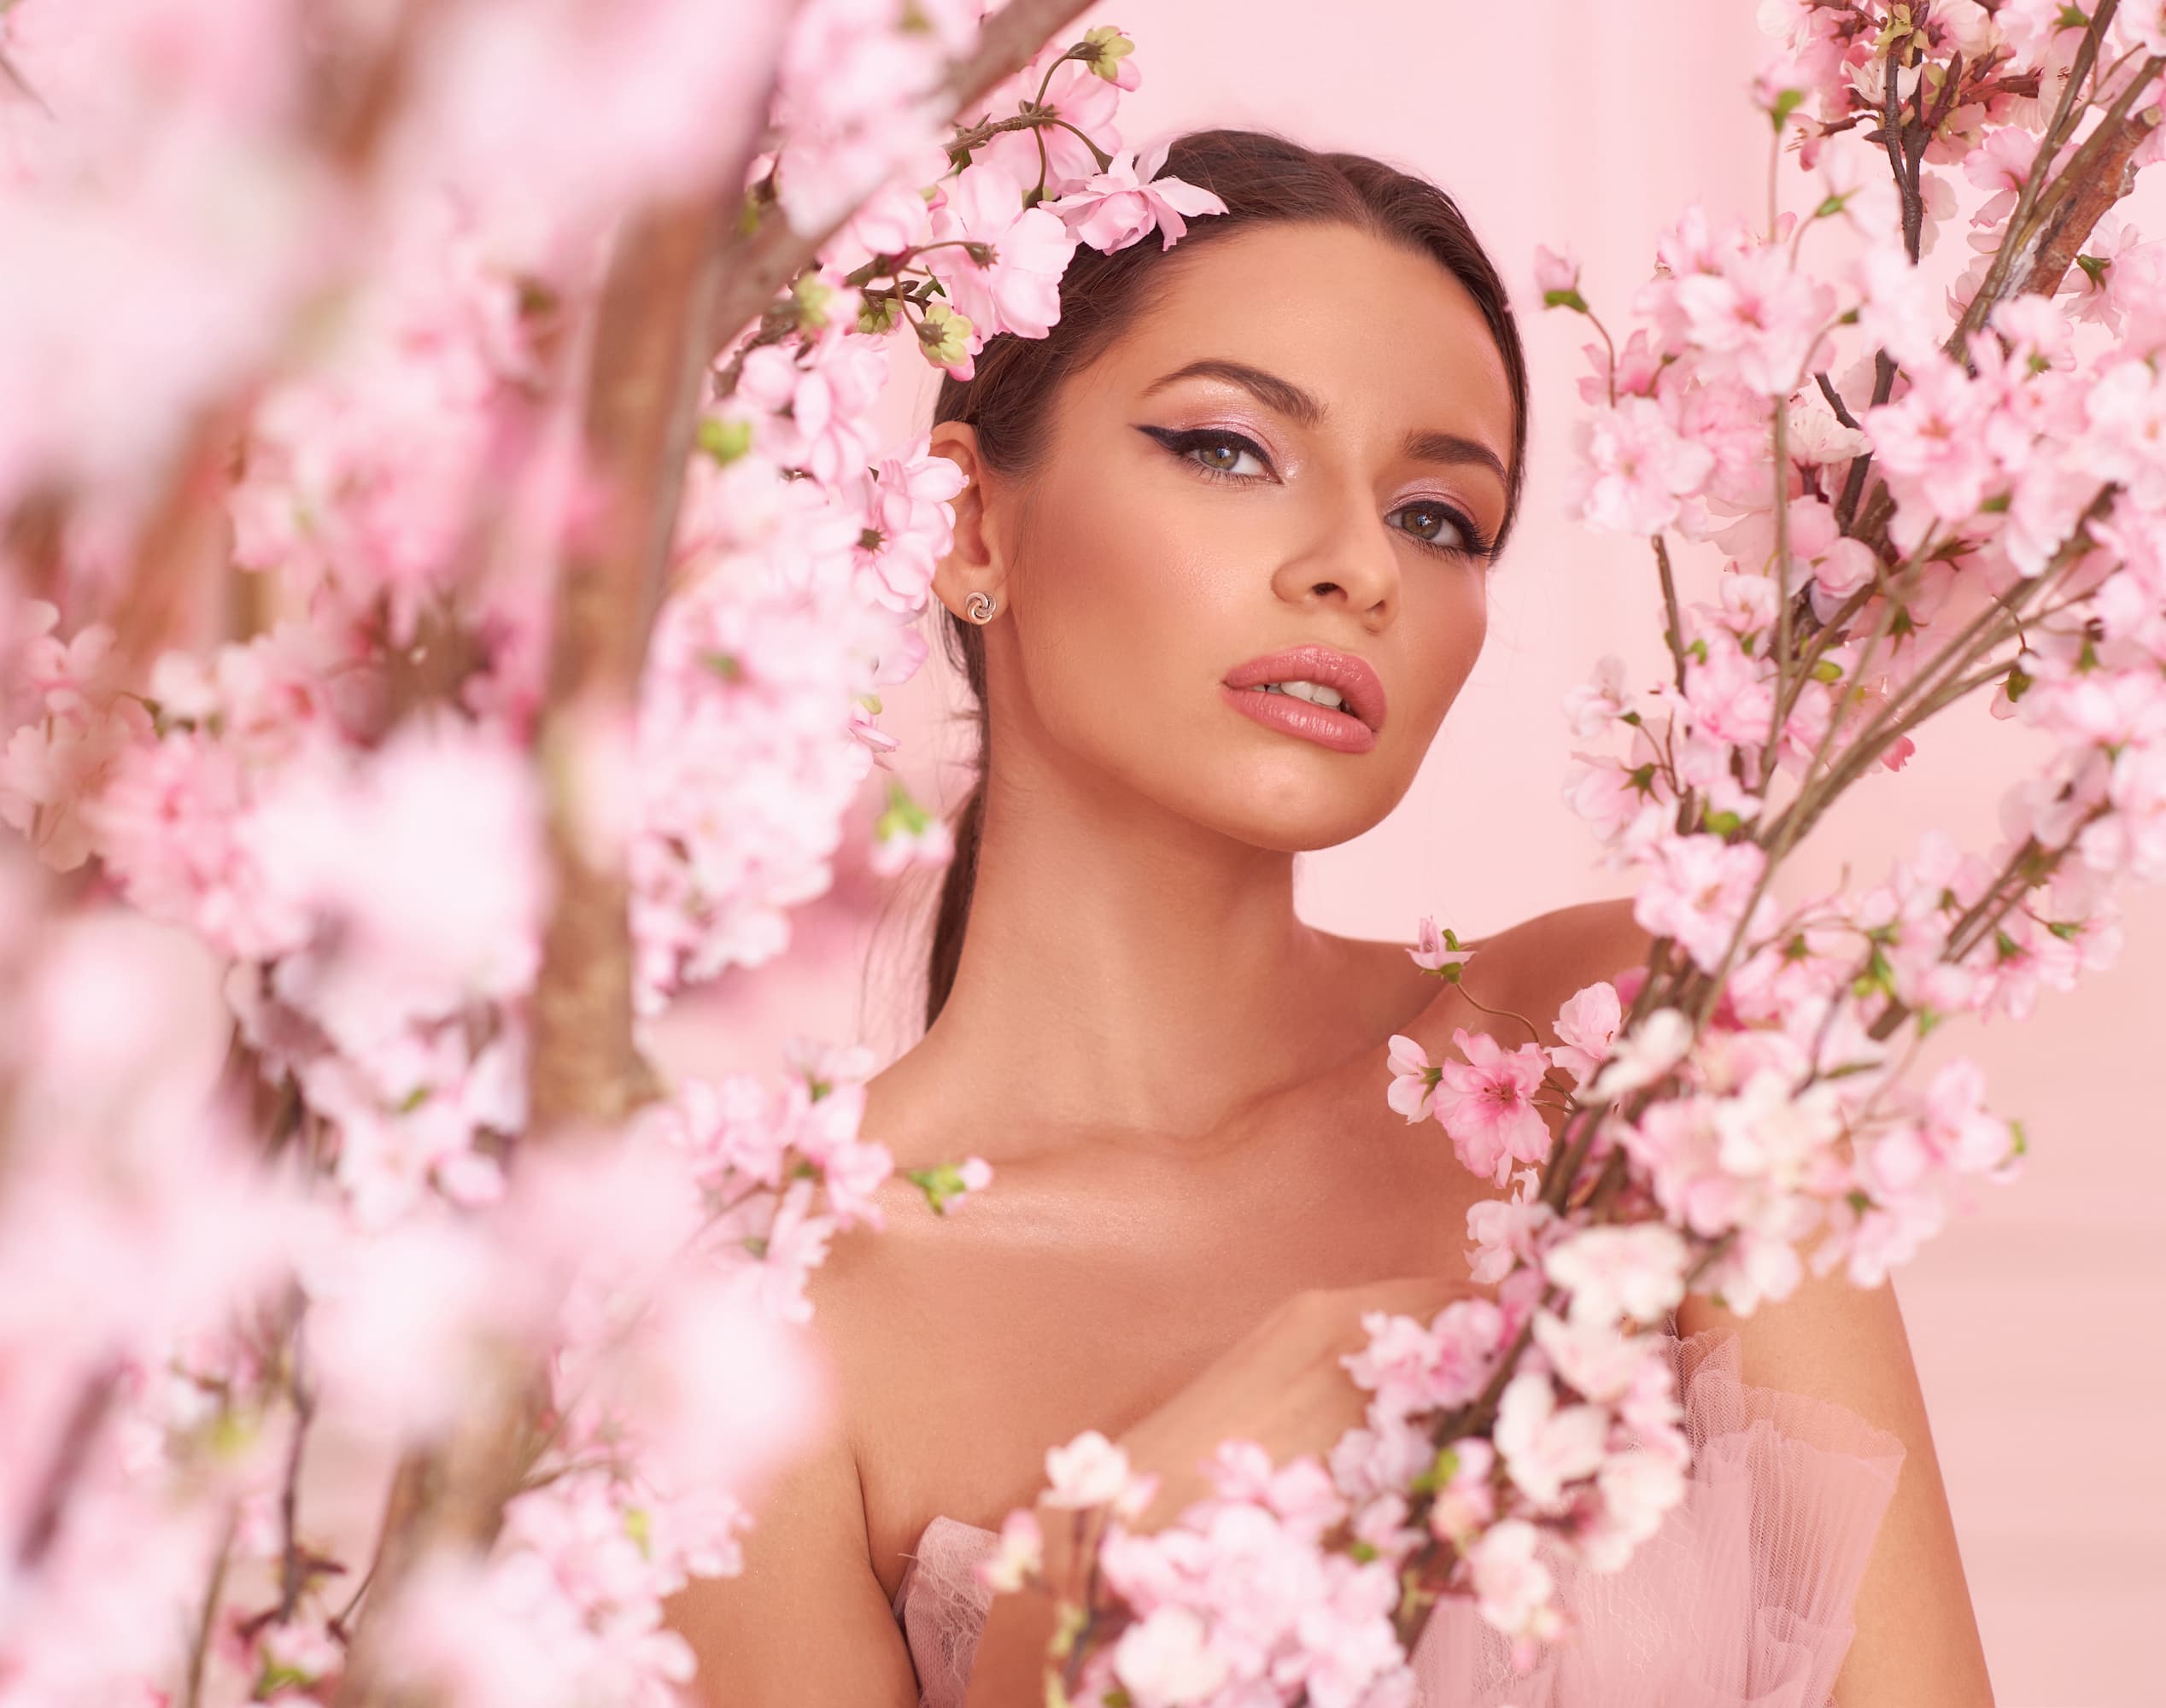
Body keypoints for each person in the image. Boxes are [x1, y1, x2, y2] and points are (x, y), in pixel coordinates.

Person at [664, 130, 1995, 1708]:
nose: (1360, 567)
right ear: (966, 525)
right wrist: (1056, 1645)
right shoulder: (762, 1327)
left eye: (1439, 518)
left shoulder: (1642, 1052)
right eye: (1228, 449)